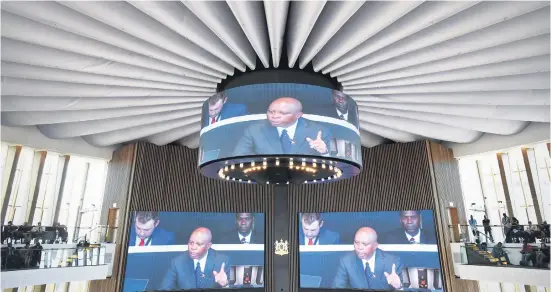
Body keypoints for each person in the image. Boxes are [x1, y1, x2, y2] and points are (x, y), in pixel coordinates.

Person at [232, 97, 332, 156]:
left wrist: (324, 152)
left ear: (298, 115)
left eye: (282, 113)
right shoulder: (254, 130)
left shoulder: (319, 131)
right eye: (271, 112)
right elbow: (238, 157)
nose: (274, 116)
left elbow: (332, 166)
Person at [160, 227, 230, 290]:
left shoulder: (222, 261)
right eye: (191, 243)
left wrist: (225, 285)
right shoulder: (177, 262)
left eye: (198, 244)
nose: (193, 247)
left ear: (208, 246)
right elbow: (164, 288)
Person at [332, 227, 403, 290]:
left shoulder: (392, 262)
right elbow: (337, 288)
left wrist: (399, 287)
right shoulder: (346, 261)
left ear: (375, 245)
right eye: (356, 242)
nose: (359, 247)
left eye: (364, 244)